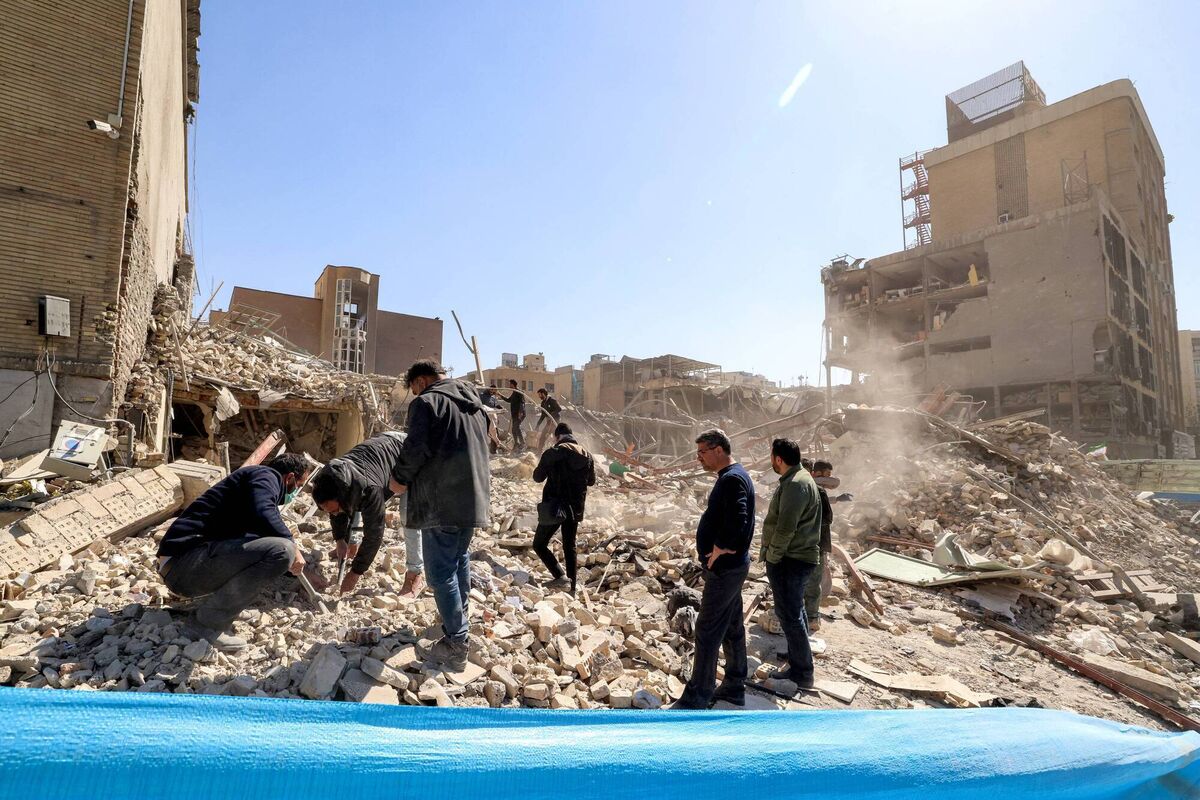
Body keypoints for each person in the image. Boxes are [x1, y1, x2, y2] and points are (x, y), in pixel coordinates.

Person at [388, 359, 491, 670]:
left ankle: (456, 644)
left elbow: (416, 447)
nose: (414, 393)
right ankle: (458, 625)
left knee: (439, 573)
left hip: (441, 500)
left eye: (413, 388)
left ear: (420, 381)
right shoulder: (476, 406)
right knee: (459, 559)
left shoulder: (426, 402)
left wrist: (399, 479)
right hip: (473, 499)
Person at [156, 453, 312, 652]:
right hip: (185, 563)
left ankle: (218, 609)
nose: (296, 491)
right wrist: (294, 547)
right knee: (283, 550)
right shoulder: (266, 476)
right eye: (299, 485)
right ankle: (206, 625)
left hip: (182, 565)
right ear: (289, 478)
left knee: (270, 547)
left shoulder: (252, 489)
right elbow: (264, 511)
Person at [671, 429, 755, 709]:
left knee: (707, 630)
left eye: (702, 452)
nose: (699, 459)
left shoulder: (732, 480)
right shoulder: (734, 476)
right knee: (732, 626)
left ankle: (698, 694)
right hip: (732, 566)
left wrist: (721, 547)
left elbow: (740, 518)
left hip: (725, 568)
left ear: (719, 449)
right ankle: (734, 685)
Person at [310, 431, 423, 597]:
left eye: (334, 510)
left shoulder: (369, 489)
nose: (334, 514)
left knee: (408, 515)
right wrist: (340, 539)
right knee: (349, 505)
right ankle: (351, 546)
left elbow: (374, 535)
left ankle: (415, 575)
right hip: (381, 446)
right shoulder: (328, 478)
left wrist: (355, 573)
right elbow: (337, 510)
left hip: (409, 453)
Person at [762, 439, 823, 689]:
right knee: (795, 613)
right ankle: (800, 661)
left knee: (790, 615)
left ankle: (802, 672)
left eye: (771, 457)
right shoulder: (799, 479)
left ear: (778, 459)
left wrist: (772, 557)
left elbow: (786, 527)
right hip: (795, 558)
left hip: (791, 559)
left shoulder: (797, 484)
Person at [531, 422, 595, 593]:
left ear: (557, 437)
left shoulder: (553, 452)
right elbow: (591, 481)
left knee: (539, 544)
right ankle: (572, 587)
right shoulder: (587, 455)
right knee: (569, 545)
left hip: (554, 506)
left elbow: (537, 477)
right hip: (575, 507)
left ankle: (560, 576)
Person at [805, 459, 848, 630]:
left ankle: (806, 614)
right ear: (816, 473)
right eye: (827, 474)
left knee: (810, 580)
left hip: (811, 542)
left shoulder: (809, 487)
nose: (830, 478)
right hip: (816, 542)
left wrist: (836, 498)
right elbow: (831, 484)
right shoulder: (811, 486)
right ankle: (812, 617)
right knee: (814, 581)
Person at [503, 379, 527, 449]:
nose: (509, 385)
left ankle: (522, 443)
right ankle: (516, 443)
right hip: (514, 414)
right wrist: (500, 395)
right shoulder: (514, 392)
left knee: (517, 427)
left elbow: (522, 403)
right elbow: (508, 400)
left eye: (509, 384)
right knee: (514, 429)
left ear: (512, 384)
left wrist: (520, 412)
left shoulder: (519, 392)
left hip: (520, 414)